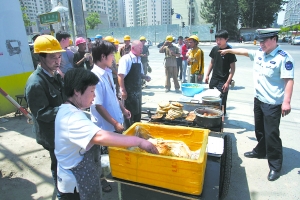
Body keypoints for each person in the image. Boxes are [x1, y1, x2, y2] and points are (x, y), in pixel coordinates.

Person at [54, 68, 158, 199]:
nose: (94, 96)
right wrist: (140, 142)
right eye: (92, 91)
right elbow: (101, 136)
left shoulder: (69, 109)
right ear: (76, 91)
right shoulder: (71, 118)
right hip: (75, 186)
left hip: (81, 178)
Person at [219, 28, 294, 181]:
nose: (261, 44)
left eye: (264, 41)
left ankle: (275, 166)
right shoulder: (260, 53)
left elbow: (289, 80)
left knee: (272, 135)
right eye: (259, 41)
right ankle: (260, 151)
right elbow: (244, 51)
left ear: (274, 39)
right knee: (259, 130)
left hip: (273, 103)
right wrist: (228, 51)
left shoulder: (284, 58)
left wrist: (286, 102)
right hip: (259, 99)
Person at [25, 35, 67, 199]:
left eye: (59, 56)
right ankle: (60, 193)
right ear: (40, 57)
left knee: (64, 162)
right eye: (52, 57)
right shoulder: (36, 83)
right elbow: (42, 114)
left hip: (61, 129)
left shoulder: (54, 74)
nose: (58, 61)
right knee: (58, 164)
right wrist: (65, 109)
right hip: (51, 134)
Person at [118, 40, 151, 129]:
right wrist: (123, 90)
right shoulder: (126, 59)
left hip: (137, 92)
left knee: (137, 112)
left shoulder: (138, 59)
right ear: (133, 48)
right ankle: (128, 133)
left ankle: (137, 130)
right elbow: (120, 76)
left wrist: (145, 77)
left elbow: (140, 74)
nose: (142, 50)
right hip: (128, 92)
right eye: (140, 48)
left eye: (142, 48)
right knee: (128, 114)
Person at [205, 30, 236, 115]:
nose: (218, 42)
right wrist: (207, 75)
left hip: (223, 81)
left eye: (220, 39)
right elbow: (212, 62)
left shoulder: (230, 52)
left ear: (226, 39)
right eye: (217, 39)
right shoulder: (215, 49)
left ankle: (221, 121)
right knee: (211, 101)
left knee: (222, 102)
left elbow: (232, 69)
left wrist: (227, 82)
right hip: (214, 79)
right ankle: (211, 117)